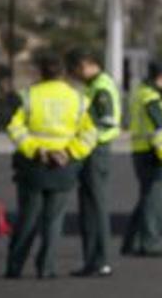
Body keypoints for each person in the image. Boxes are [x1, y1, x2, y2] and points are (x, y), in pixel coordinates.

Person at [4, 53, 97, 279]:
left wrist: (36, 149)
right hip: (63, 168)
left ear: (41, 73)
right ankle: (46, 268)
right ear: (63, 74)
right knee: (54, 221)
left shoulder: (27, 96)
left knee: (27, 219)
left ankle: (14, 267)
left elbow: (14, 128)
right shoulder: (79, 100)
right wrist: (69, 153)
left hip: (33, 166)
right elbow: (90, 134)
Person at [65, 48, 121, 278]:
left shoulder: (101, 88)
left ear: (87, 63)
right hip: (92, 150)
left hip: (96, 151)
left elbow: (105, 123)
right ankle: (92, 260)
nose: (76, 74)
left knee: (96, 206)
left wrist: (78, 147)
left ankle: (101, 260)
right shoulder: (95, 85)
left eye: (76, 69)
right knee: (88, 206)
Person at [121, 62, 162, 258]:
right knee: (154, 201)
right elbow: (160, 132)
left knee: (146, 199)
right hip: (154, 155)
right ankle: (149, 243)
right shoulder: (152, 99)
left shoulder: (139, 93)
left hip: (140, 151)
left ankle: (130, 242)